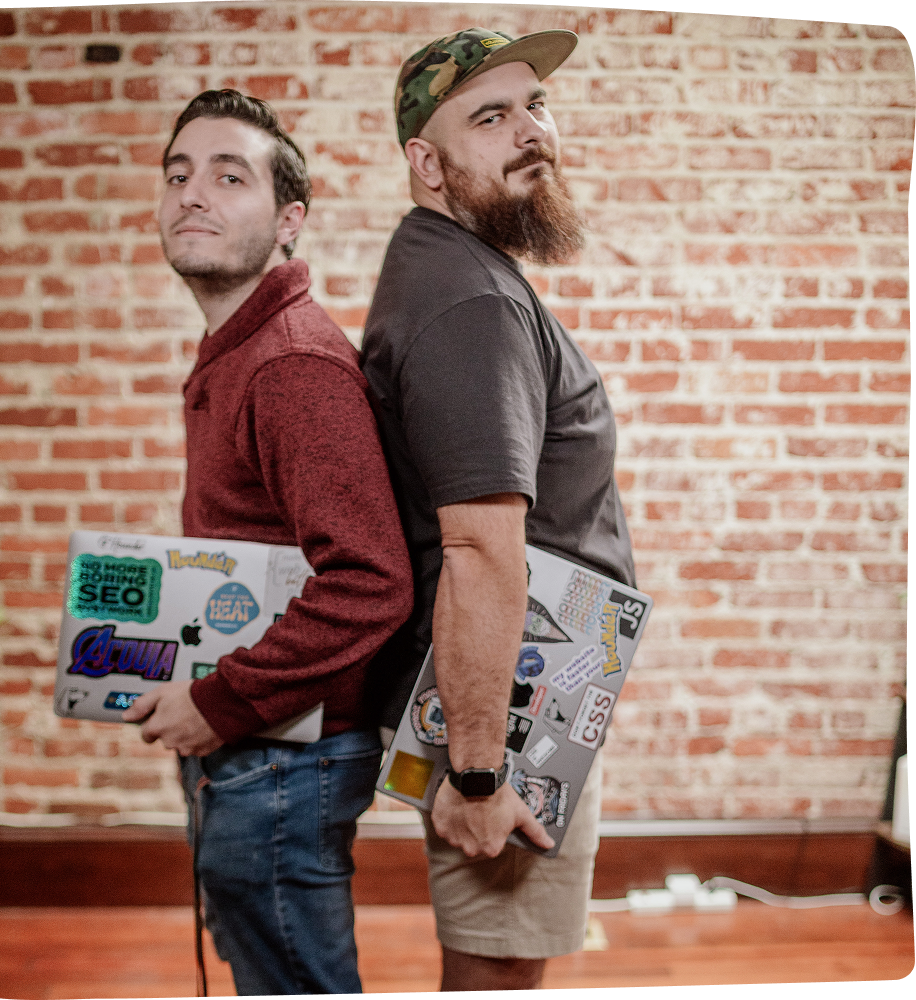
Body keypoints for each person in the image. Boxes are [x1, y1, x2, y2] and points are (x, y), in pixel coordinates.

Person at [361, 28, 637, 991]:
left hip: (532, 697)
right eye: (490, 116)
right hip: (509, 723)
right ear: (427, 164)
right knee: (500, 970)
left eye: (536, 106)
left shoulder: (460, 273)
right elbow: (479, 550)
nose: (530, 131)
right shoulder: (469, 304)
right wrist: (479, 773)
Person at [122, 90, 413, 996]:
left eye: (228, 176)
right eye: (177, 174)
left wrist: (220, 702)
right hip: (258, 750)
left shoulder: (289, 363)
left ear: (290, 222)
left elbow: (371, 581)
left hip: (284, 759)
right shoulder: (237, 348)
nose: (191, 194)